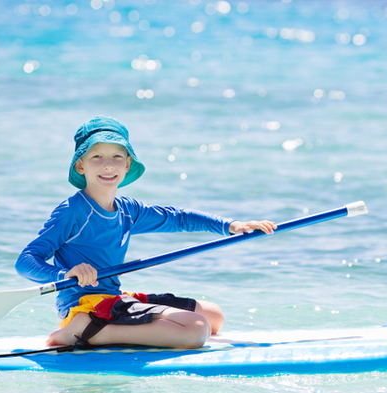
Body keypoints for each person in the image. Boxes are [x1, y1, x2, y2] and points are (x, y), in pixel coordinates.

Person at [16, 116, 276, 351]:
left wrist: (231, 226)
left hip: (113, 298)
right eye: (97, 157)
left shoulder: (128, 210)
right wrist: (64, 274)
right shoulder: (72, 212)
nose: (108, 165)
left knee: (214, 317)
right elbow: (26, 260)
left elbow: (178, 218)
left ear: (128, 164)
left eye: (117, 156)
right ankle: (86, 331)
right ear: (81, 166)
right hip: (84, 306)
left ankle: (102, 325)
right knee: (196, 330)